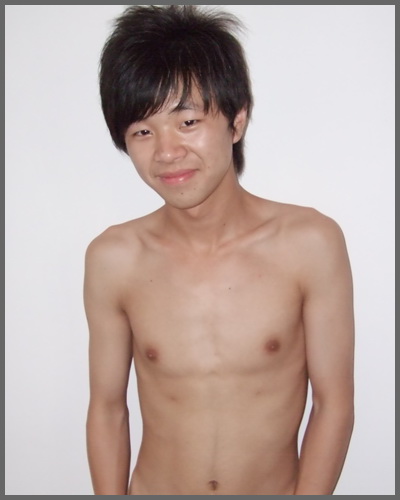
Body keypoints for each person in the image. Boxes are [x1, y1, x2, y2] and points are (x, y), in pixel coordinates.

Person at [84, 5, 354, 495]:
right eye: (143, 131)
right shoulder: (114, 258)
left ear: (237, 120)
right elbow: (107, 409)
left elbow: (333, 404)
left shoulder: (310, 243)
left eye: (187, 121)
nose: (166, 152)